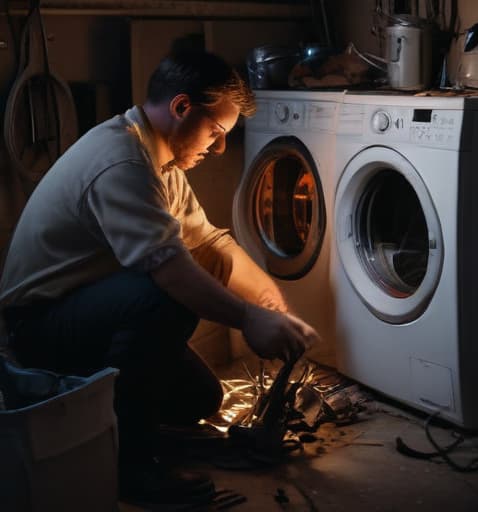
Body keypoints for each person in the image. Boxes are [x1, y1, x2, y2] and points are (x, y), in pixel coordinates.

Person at [0, 50, 319, 507]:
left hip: (80, 312)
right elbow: (169, 271)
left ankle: (119, 425)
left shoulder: (159, 160)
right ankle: (129, 468)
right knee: (163, 297)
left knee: (200, 399)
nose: (220, 147)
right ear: (182, 107)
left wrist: (271, 305)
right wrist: (247, 320)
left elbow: (209, 242)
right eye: (216, 132)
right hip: (38, 328)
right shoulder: (123, 161)